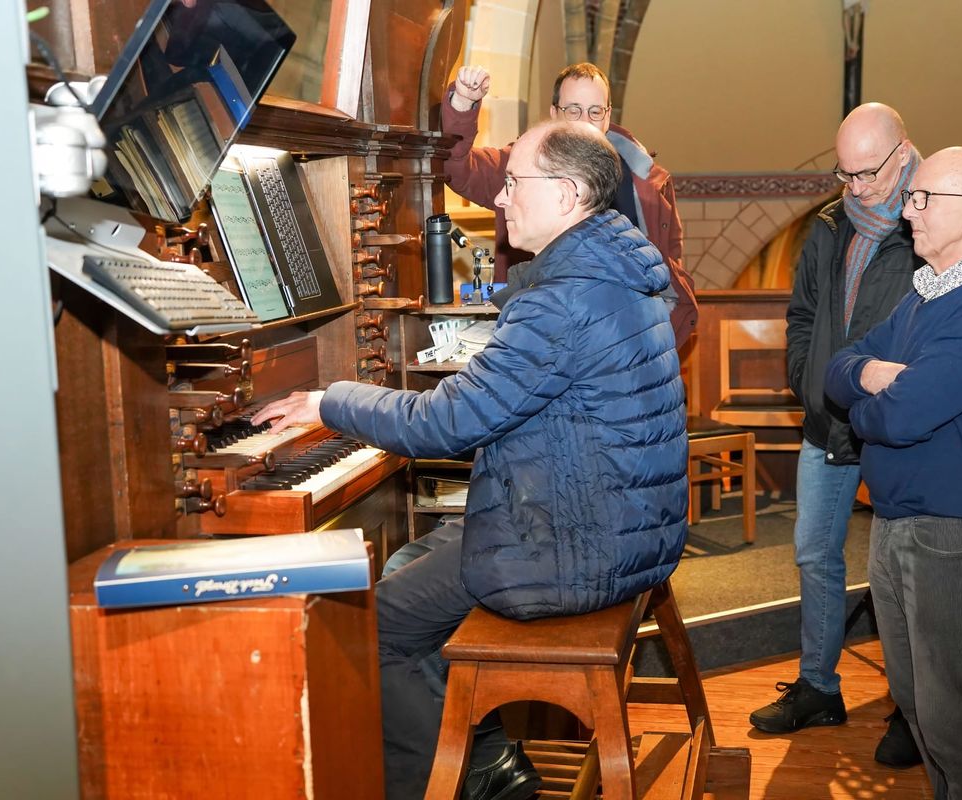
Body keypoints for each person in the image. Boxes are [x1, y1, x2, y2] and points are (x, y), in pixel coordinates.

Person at [252, 120, 689, 800]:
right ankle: (480, 752)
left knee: (372, 627)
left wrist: (328, 401)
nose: (500, 199)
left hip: (575, 549)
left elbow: (448, 423)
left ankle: (457, 778)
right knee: (405, 561)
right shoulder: (615, 271)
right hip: (620, 529)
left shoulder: (563, 301)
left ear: (569, 195)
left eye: (515, 183)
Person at [824, 146, 962, 798]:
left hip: (954, 530)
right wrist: (874, 380)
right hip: (900, 520)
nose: (907, 210)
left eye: (923, 199)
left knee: (951, 717)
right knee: (917, 703)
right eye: (911, 196)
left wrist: (872, 403)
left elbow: (904, 417)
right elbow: (840, 367)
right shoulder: (928, 292)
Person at [749, 102, 923, 768]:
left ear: (902, 154)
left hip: (901, 426)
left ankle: (913, 709)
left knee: (904, 571)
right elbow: (802, 315)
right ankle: (819, 687)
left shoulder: (930, 224)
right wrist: (809, 380)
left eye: (866, 174)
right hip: (829, 418)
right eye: (842, 173)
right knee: (814, 553)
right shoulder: (827, 224)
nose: (853, 189)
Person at [443, 62, 698, 348]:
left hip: (626, 340)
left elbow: (670, 265)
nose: (585, 121)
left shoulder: (648, 182)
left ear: (607, 115)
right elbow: (460, 169)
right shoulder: (520, 165)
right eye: (573, 110)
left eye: (595, 111)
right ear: (554, 114)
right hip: (545, 334)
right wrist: (463, 105)